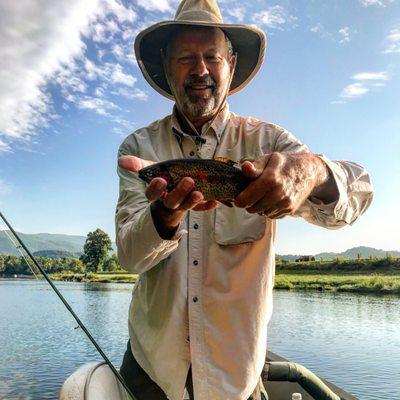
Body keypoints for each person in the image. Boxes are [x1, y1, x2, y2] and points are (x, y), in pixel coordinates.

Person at [115, 0, 373, 399]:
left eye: (211, 57)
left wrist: (311, 173)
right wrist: (163, 216)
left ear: (231, 66)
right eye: (185, 58)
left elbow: (359, 193)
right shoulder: (139, 148)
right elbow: (130, 257)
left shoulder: (270, 144)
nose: (199, 69)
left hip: (235, 378)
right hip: (150, 371)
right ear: (167, 67)